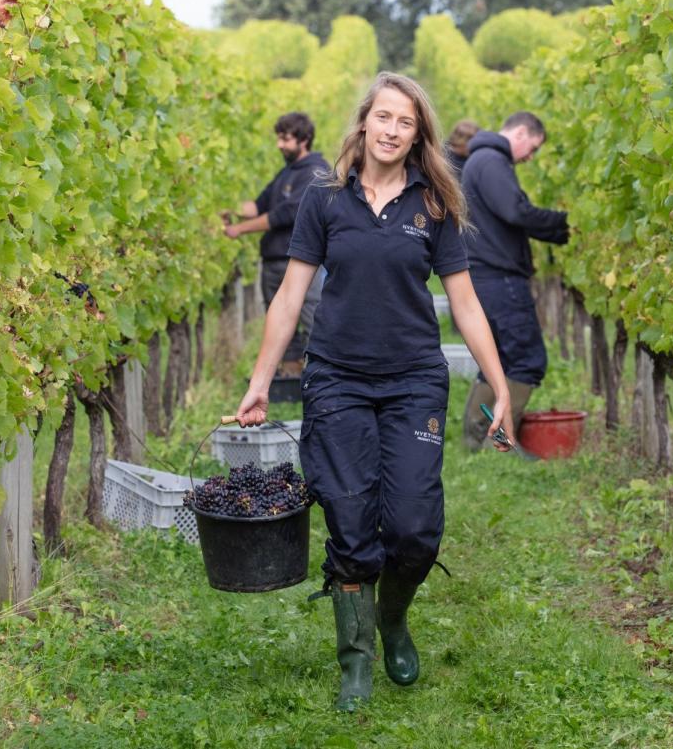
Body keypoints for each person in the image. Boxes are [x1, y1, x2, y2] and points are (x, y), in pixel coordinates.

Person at [232, 73, 514, 712]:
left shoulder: (432, 204)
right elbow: (290, 295)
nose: (391, 130)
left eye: (405, 122)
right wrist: (258, 384)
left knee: (415, 528)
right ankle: (355, 661)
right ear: (364, 121)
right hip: (336, 379)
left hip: (414, 379)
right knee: (352, 526)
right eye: (383, 117)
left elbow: (464, 304)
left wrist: (498, 384)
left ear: (419, 135)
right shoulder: (324, 199)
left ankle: (393, 619)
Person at [459, 112, 570, 451]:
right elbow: (515, 211)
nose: (530, 157)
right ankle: (499, 443)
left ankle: (474, 442)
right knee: (527, 359)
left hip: (487, 275)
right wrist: (564, 223)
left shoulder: (482, 160)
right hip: (500, 277)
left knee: (499, 359)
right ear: (520, 132)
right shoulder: (491, 161)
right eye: (532, 148)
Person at [224, 112, 330, 374]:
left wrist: (239, 229)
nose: (279, 145)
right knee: (284, 328)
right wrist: (225, 210)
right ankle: (293, 379)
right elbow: (258, 206)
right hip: (273, 262)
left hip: (299, 263)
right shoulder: (287, 172)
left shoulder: (315, 173)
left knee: (313, 320)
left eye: (285, 139)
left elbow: (285, 214)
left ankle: (333, 376)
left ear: (304, 139)